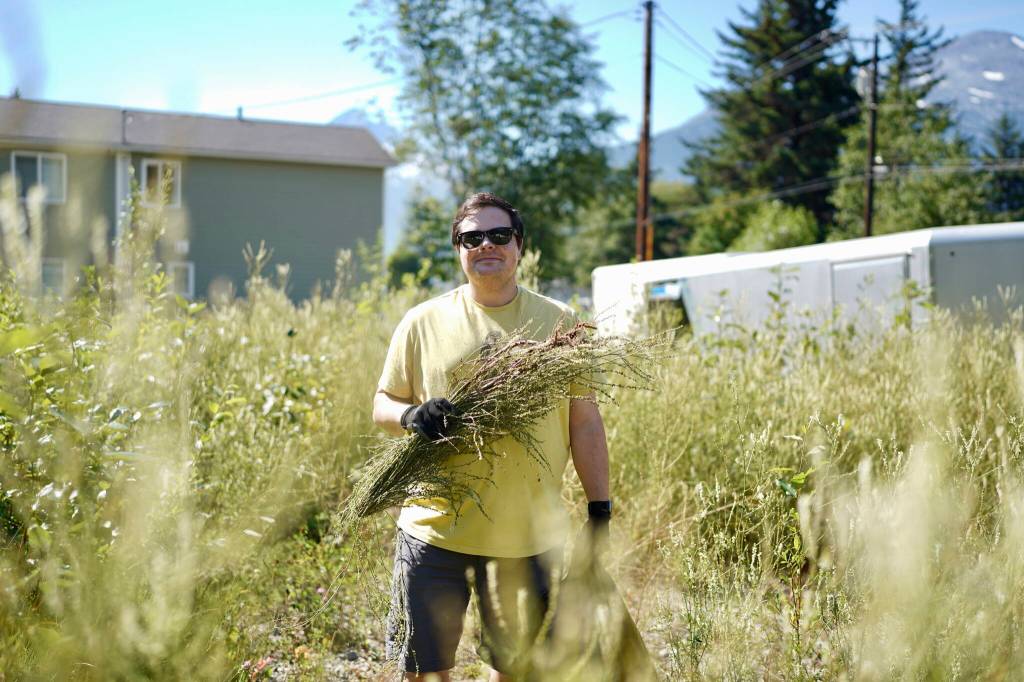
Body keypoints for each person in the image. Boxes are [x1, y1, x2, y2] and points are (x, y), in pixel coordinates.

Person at [373, 192, 613, 681]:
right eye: (472, 237)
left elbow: (584, 421)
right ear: (458, 250)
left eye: (499, 235)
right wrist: (412, 414)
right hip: (432, 529)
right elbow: (381, 402)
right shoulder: (422, 322)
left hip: (525, 536)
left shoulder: (560, 324)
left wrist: (599, 509)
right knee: (422, 670)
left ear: (519, 246)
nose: (487, 245)